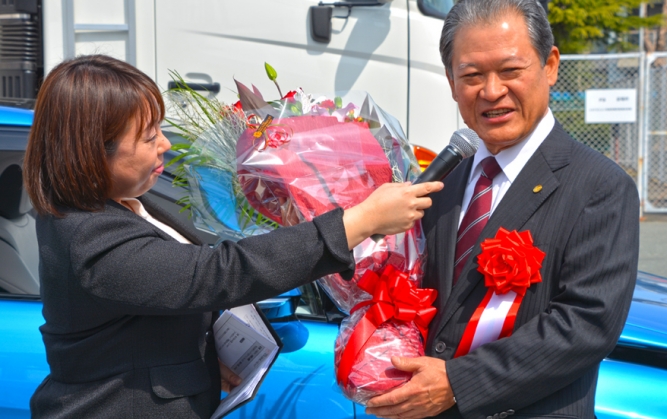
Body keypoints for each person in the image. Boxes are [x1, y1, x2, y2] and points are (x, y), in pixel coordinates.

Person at [23, 54, 443, 418]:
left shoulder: (118, 208)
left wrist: (199, 356)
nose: (165, 145)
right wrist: (359, 221)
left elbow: (150, 311)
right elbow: (215, 274)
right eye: (149, 137)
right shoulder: (89, 238)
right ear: (94, 151)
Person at [365, 1, 639, 418]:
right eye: (472, 75)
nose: (491, 91)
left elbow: (585, 325)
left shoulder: (599, 186)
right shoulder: (439, 183)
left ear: (549, 66)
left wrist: (458, 383)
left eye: (510, 71)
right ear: (452, 82)